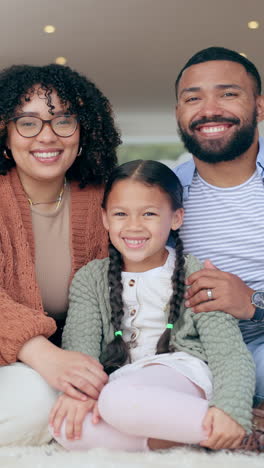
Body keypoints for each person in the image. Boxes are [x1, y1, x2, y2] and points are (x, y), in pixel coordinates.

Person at [49, 159, 263, 452]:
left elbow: (230, 354)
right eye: (121, 214)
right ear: (105, 219)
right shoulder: (90, 279)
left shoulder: (195, 274)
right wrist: (80, 393)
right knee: (66, 427)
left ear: (176, 218)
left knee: (117, 400)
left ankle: (233, 425)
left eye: (149, 213)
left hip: (182, 377)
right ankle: (220, 437)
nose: (134, 226)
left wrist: (231, 408)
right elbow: (80, 348)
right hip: (126, 384)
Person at [0, 63, 121, 445]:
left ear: (83, 129)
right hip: (21, 363)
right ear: (5, 133)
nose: (47, 137)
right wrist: (41, 354)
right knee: (35, 401)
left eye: (63, 120)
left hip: (78, 363)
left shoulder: (107, 199)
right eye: (28, 122)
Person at [174, 47, 264, 427]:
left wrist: (253, 302)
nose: (209, 110)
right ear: (178, 113)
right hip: (195, 350)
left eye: (228, 94)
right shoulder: (163, 192)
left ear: (259, 107)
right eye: (193, 98)